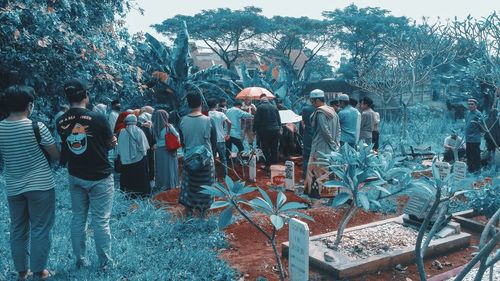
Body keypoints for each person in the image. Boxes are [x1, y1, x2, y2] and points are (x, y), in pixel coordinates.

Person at [0, 85, 59, 281]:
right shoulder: (36, 127)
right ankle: (39, 271)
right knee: (40, 229)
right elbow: (55, 155)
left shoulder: (0, 129)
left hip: (14, 186)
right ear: (30, 105)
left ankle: (22, 272)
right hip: (41, 185)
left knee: (18, 229)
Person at [57, 79, 115, 270]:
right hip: (100, 177)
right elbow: (110, 143)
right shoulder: (98, 118)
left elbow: (67, 147)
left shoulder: (61, 121)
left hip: (76, 175)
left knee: (78, 218)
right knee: (100, 220)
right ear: (85, 96)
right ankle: (105, 263)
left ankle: (80, 260)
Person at [179, 92, 215, 217]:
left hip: (189, 159)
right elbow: (213, 142)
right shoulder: (208, 120)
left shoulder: (182, 120)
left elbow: (182, 142)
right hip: (206, 161)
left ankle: (189, 211)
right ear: (201, 103)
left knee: (190, 187)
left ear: (188, 104)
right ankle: (203, 213)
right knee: (206, 187)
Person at [304, 89, 340, 198]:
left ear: (318, 100)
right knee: (328, 170)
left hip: (320, 147)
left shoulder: (320, 112)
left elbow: (325, 131)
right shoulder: (333, 111)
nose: (312, 104)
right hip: (331, 148)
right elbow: (338, 130)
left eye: (313, 101)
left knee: (316, 170)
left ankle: (317, 193)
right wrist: (336, 144)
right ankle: (330, 193)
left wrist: (332, 143)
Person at [116, 114, 151, 198]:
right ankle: (142, 194)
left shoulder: (122, 132)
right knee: (140, 178)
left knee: (128, 179)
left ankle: (128, 194)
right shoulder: (139, 131)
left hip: (125, 161)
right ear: (135, 121)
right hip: (138, 160)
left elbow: (119, 147)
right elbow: (144, 147)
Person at [152, 110, 179, 191]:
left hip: (159, 150)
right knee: (169, 167)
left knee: (161, 168)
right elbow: (177, 135)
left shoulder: (154, 126)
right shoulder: (168, 126)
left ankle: (160, 184)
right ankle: (170, 184)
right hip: (168, 149)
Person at [253, 94, 281, 171]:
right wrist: (279, 128)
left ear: (261, 101)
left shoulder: (260, 107)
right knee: (274, 147)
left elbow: (257, 120)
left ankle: (267, 165)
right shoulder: (274, 107)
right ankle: (275, 165)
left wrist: (254, 130)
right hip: (275, 130)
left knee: (265, 148)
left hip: (265, 131)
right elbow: (278, 120)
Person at [208, 99, 231, 178]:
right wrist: (228, 134)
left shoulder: (206, 115)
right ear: (216, 105)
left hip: (211, 141)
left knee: (212, 159)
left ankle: (214, 177)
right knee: (223, 159)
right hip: (221, 139)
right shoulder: (220, 114)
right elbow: (229, 122)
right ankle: (226, 176)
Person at [464, 98, 484, 173]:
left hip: (475, 139)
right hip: (468, 138)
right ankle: (470, 169)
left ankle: (477, 170)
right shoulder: (467, 113)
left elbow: (482, 127)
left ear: (476, 105)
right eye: (469, 104)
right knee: (468, 155)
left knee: (475, 155)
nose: (470, 106)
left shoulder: (478, 114)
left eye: (472, 104)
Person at [138, 113, 155, 183]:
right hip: (150, 147)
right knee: (151, 162)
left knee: (146, 163)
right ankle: (151, 176)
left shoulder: (142, 127)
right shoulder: (150, 126)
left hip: (145, 147)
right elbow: (153, 136)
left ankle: (148, 177)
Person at [301, 101, 315, 179]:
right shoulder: (322, 109)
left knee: (306, 156)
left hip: (308, 134)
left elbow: (303, 121)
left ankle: (306, 175)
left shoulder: (305, 109)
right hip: (318, 135)